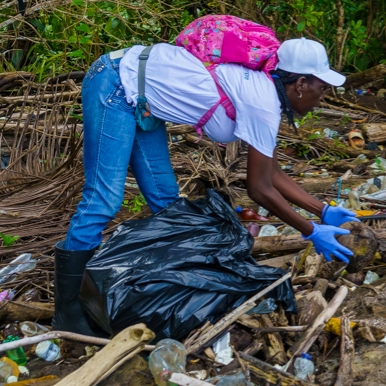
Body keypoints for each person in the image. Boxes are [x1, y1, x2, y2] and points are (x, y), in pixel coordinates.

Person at [55, 24, 359, 335]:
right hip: (117, 82)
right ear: (300, 84)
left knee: (166, 203)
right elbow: (259, 188)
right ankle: (67, 311)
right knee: (103, 200)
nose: (322, 98)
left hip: (142, 97)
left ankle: (153, 291)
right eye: (321, 89)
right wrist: (310, 230)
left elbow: (273, 172)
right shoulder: (262, 101)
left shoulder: (264, 92)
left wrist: (322, 211)